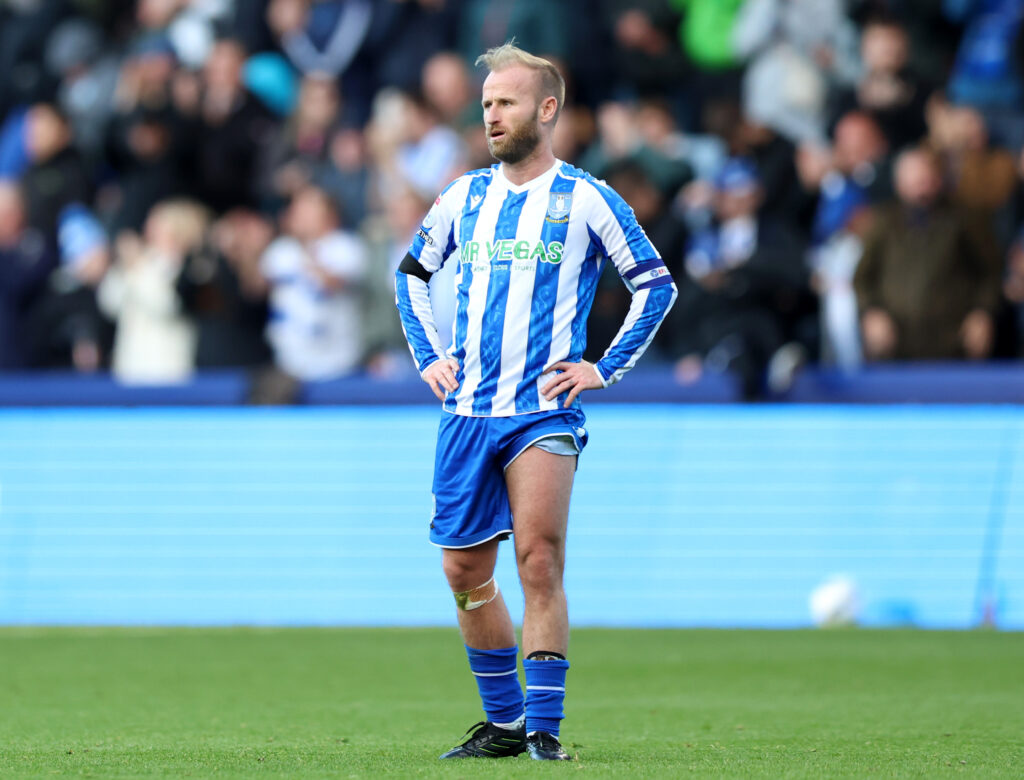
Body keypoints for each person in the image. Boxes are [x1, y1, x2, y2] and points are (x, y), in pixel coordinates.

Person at [394, 43, 676, 761]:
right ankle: (506, 723)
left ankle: (545, 731)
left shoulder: (586, 198)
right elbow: (411, 277)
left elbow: (656, 285)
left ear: (546, 109)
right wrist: (430, 356)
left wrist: (602, 368)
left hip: (542, 412)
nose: (491, 114)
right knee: (463, 573)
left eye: (506, 102)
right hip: (467, 412)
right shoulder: (464, 196)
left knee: (539, 560)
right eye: (486, 103)